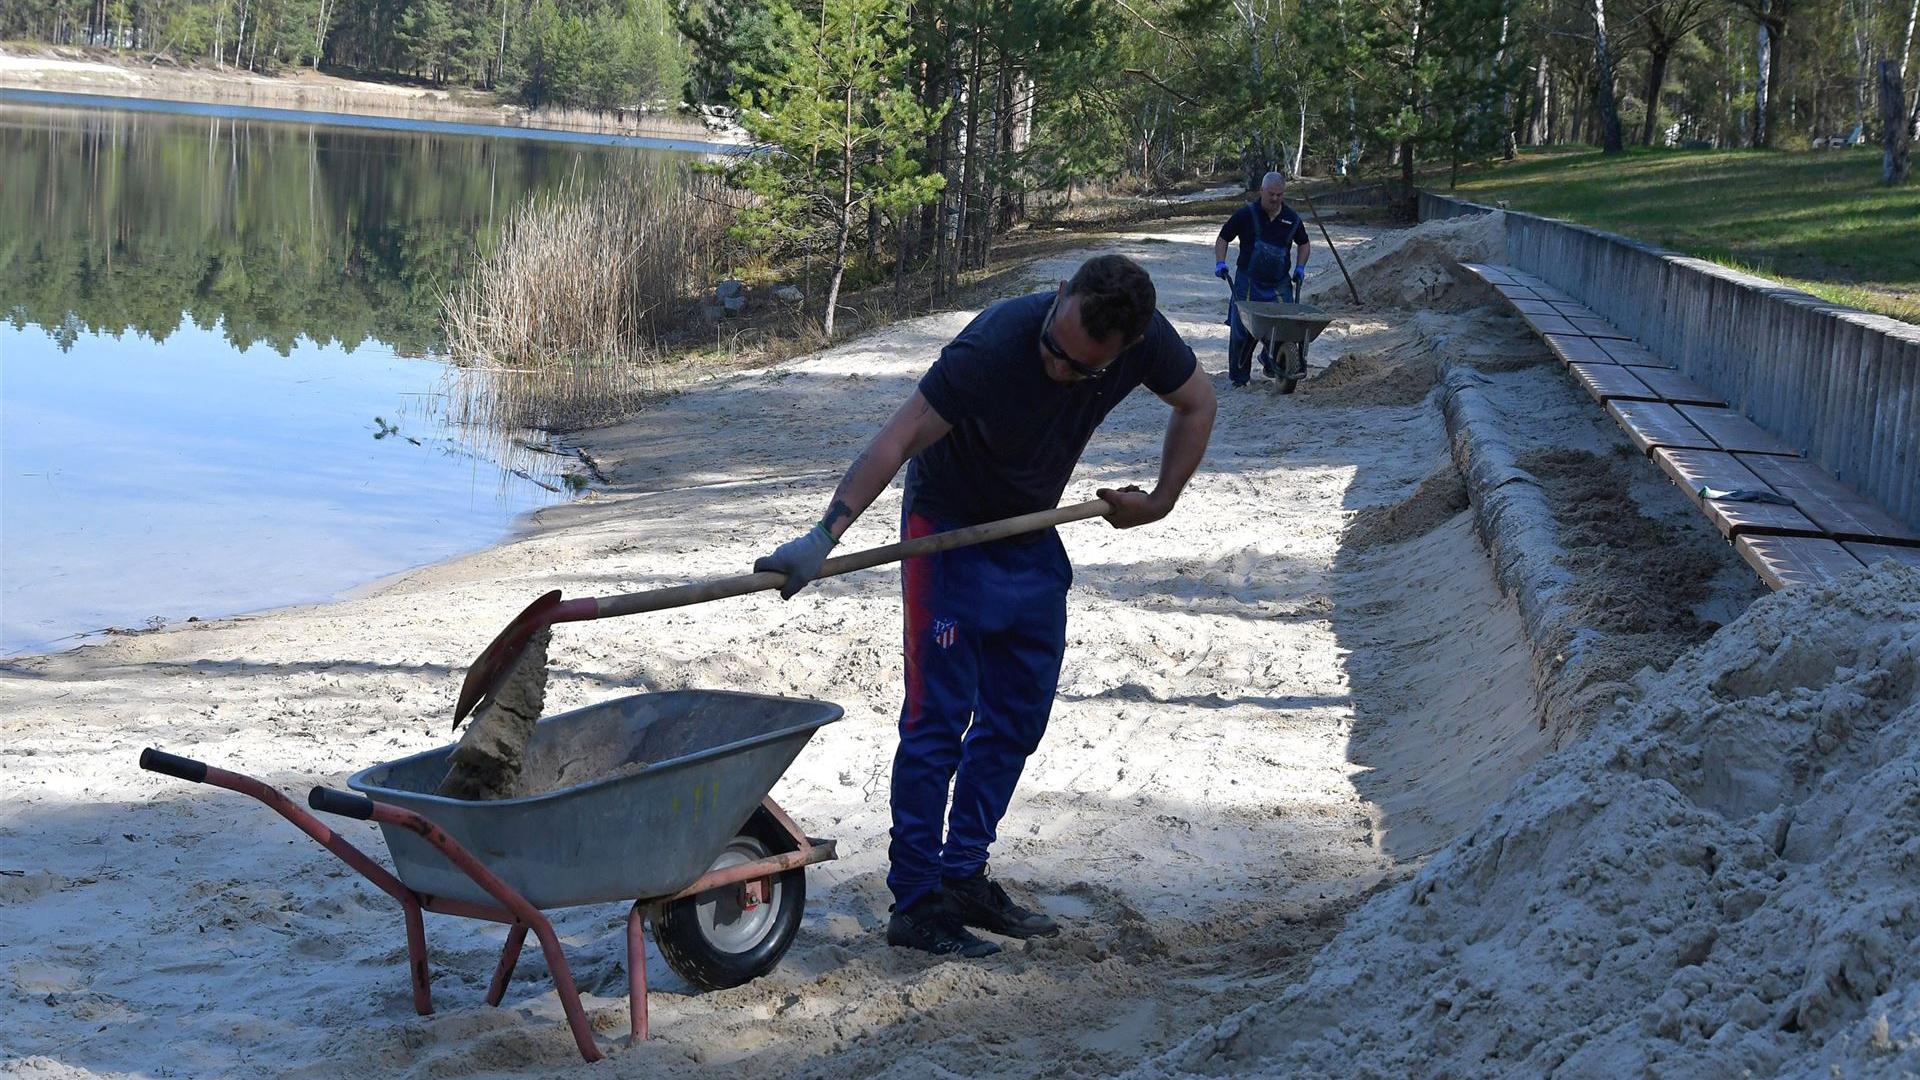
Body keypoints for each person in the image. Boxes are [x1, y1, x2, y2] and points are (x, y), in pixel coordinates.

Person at [754, 254, 1216, 957]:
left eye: (1081, 368)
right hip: (947, 530)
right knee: (937, 721)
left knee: (1017, 717)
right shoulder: (996, 343)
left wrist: (1160, 502)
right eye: (1054, 350)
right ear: (1060, 295)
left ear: (1126, 350)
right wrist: (825, 533)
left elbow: (1197, 402)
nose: (1060, 369)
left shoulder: (1146, 339)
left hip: (1029, 531)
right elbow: (902, 433)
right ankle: (915, 901)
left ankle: (964, 872)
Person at [1214, 171, 1311, 387]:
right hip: (1248, 281)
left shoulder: (1291, 219)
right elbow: (1223, 237)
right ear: (1262, 191)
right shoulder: (1246, 215)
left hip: (1278, 283)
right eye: (1271, 194)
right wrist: (1220, 262)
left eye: (1279, 195)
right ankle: (1239, 378)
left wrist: (1300, 267)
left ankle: (1274, 361)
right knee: (1242, 330)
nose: (1275, 199)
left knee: (1286, 325)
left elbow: (1304, 243)